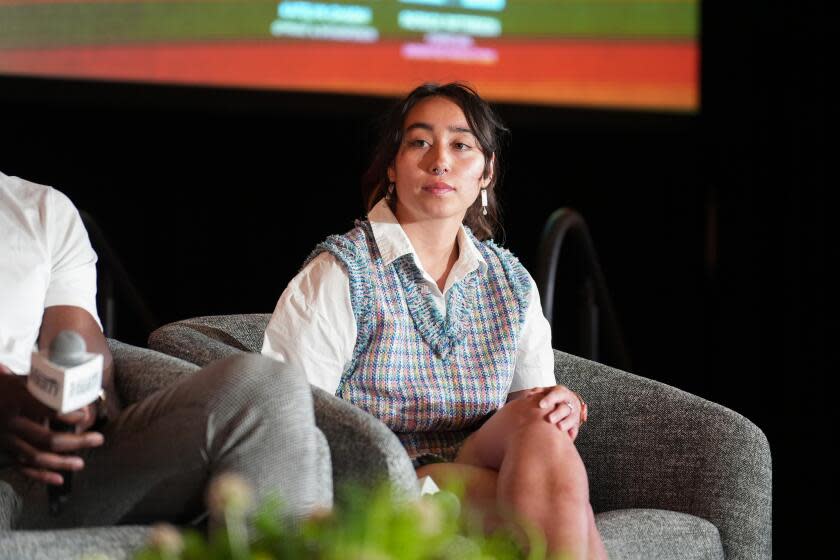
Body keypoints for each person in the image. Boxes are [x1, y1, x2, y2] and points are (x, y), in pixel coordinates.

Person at [261, 83, 606, 558]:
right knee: (562, 517)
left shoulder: (509, 280)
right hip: (388, 477)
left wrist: (562, 402)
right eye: (419, 142)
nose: (440, 161)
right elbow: (288, 414)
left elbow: (530, 410)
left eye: (461, 145)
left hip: (482, 458)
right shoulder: (342, 272)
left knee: (541, 420)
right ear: (391, 167)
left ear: (487, 172)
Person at [1, 170, 328, 532]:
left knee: (267, 389)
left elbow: (84, 358)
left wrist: (75, 406)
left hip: (46, 475)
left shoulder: (43, 210)